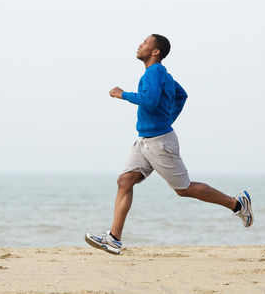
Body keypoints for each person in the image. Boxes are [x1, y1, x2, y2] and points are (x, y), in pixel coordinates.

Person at [85, 34, 253, 255]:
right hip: (145, 140)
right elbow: (181, 96)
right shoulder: (162, 74)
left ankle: (238, 204)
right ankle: (114, 239)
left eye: (144, 43)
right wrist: (167, 118)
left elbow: (150, 100)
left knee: (184, 189)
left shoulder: (154, 72)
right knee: (124, 181)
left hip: (160, 143)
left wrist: (122, 94)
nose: (139, 45)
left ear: (156, 51)